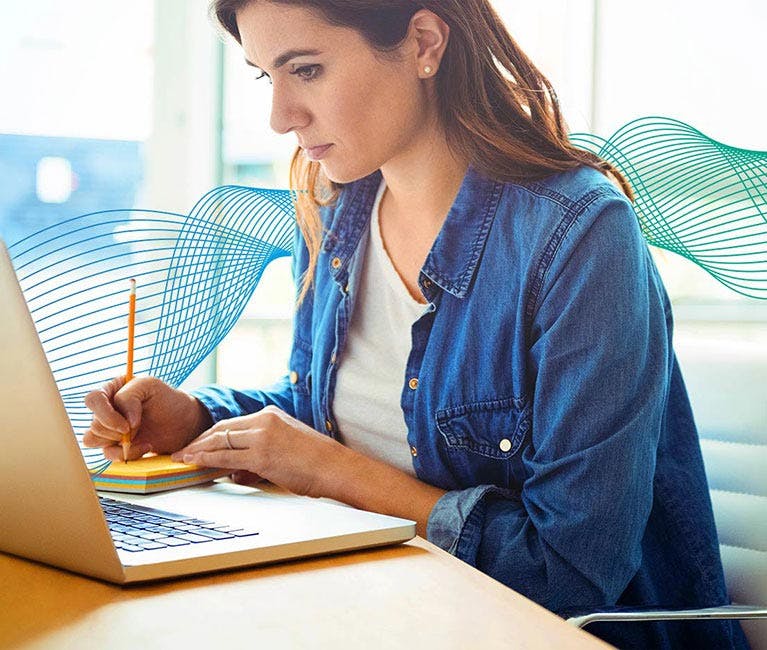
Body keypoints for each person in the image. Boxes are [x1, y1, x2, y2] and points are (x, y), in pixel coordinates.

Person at [84, 2, 749, 647]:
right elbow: (327, 416)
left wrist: (333, 474)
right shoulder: (334, 212)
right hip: (388, 607)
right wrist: (197, 419)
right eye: (266, 76)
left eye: (306, 69)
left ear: (424, 43)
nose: (279, 116)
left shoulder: (577, 234)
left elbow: (570, 572)